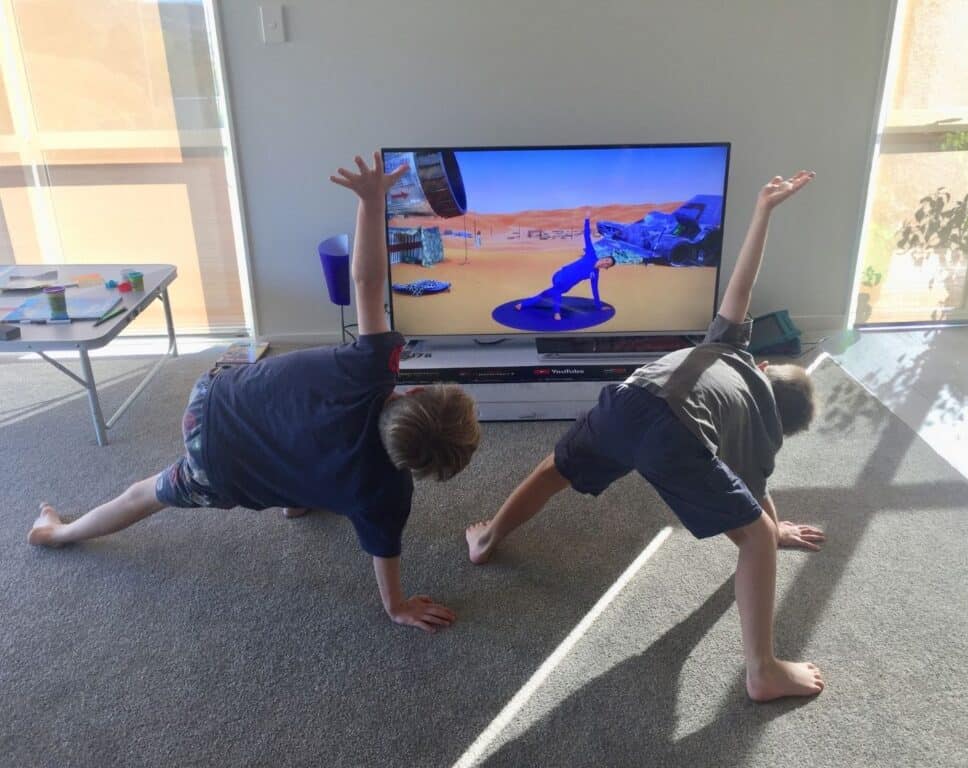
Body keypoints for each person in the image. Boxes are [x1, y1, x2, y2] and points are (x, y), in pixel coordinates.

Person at [28, 152, 480, 634]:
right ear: (423, 471)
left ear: (417, 391)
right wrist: (396, 606)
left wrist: (371, 201)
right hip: (220, 470)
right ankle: (62, 532)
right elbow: (383, 550)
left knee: (294, 432)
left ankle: (57, 533)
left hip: (216, 399)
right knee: (149, 493)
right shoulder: (385, 494)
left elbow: (367, 281)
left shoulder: (373, 367)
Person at [467, 171, 827, 700]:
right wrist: (771, 533)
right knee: (754, 540)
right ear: (783, 427)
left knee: (554, 471)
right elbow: (752, 495)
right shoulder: (760, 429)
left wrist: (763, 211)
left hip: (626, 402)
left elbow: (740, 287)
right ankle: (763, 669)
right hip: (672, 435)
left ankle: (487, 538)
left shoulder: (728, 346)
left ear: (764, 364)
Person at [516, 217, 614, 321]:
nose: (606, 262)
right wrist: (586, 220)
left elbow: (595, 290)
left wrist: (599, 307)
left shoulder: (595, 274)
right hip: (560, 276)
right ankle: (557, 313)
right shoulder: (591, 255)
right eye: (607, 259)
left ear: (606, 267)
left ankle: (523, 304)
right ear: (604, 258)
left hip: (567, 286)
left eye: (608, 263)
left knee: (545, 294)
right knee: (557, 289)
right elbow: (587, 238)